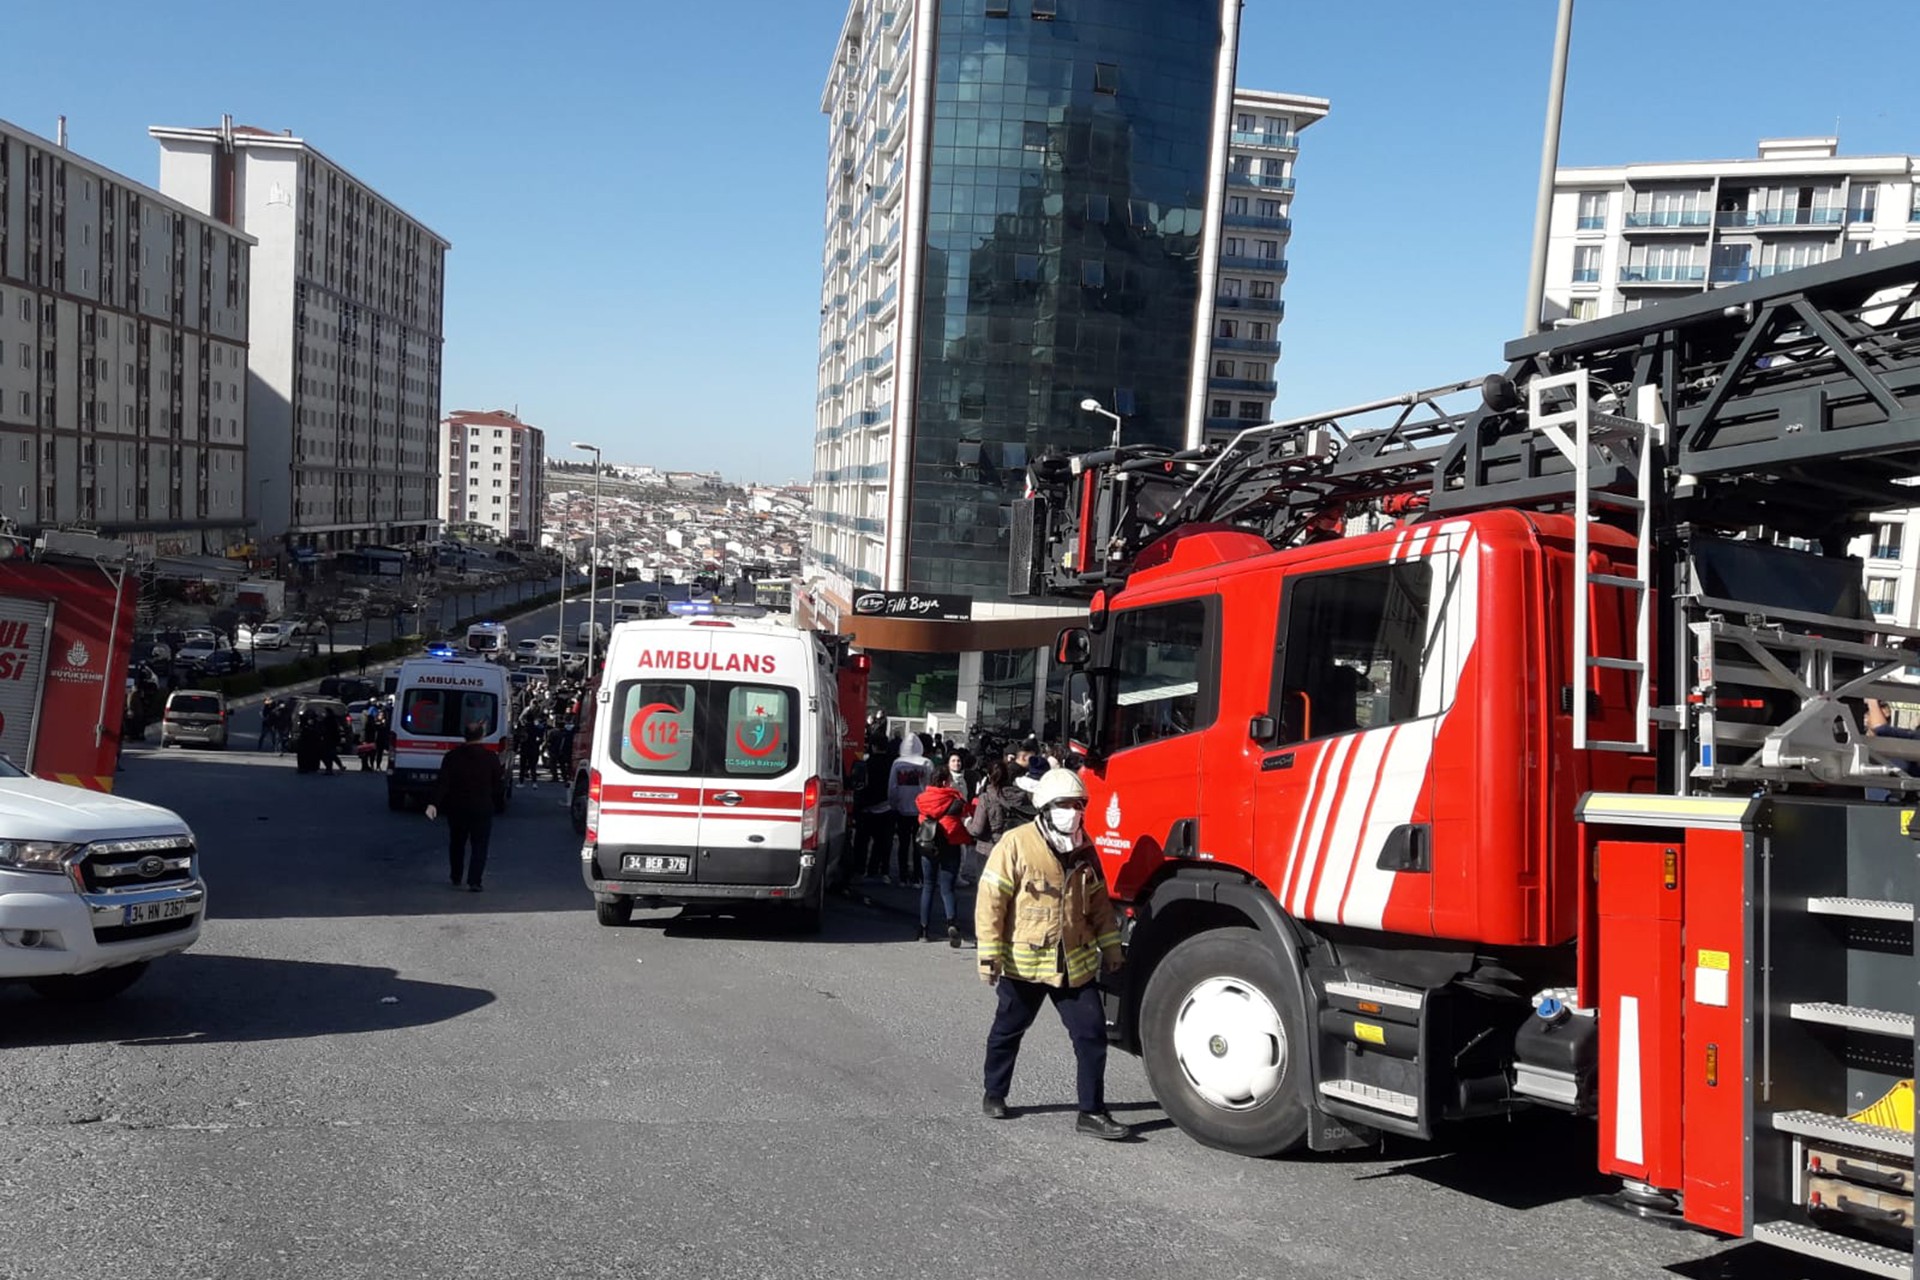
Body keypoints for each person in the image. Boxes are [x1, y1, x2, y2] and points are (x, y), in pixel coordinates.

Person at [975, 767, 1131, 1141]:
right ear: (1045, 807)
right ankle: (995, 1093)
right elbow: (991, 901)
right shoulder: (1015, 844)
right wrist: (989, 954)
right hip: (1024, 965)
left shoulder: (1085, 848)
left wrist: (1111, 948)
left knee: (1091, 1037)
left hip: (1072, 967)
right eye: (1064, 804)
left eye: (1079, 805)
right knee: (1007, 1032)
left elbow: (1098, 907)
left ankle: (1091, 1112)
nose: (1073, 811)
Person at [425, 719, 507, 892]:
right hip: (482, 807)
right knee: (480, 844)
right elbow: (499, 785)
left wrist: (433, 803)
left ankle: (456, 875)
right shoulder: (490, 758)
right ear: (483, 736)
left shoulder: (452, 757)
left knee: (457, 842)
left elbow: (442, 783)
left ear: (464, 736)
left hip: (457, 806)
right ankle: (475, 880)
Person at [913, 765, 969, 946]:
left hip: (929, 844)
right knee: (947, 888)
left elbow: (922, 819)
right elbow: (964, 817)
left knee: (928, 886)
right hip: (950, 845)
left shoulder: (922, 799)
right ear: (946, 781)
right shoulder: (955, 800)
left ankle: (923, 929)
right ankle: (952, 922)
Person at [887, 733, 932, 886]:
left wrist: (893, 805)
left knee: (903, 844)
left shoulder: (898, 763)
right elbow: (930, 786)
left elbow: (892, 787)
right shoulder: (927, 763)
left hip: (902, 809)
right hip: (921, 810)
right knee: (920, 845)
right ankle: (918, 876)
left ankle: (902, 876)